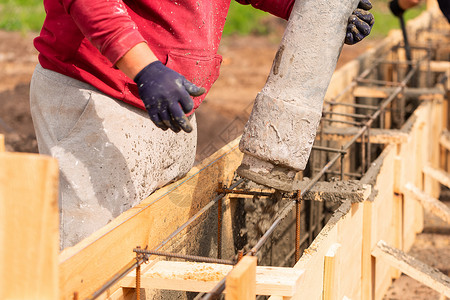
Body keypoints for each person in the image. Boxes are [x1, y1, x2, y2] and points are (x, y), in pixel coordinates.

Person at [31, 0, 374, 249]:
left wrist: (303, 7)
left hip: (170, 100)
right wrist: (144, 67)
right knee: (87, 252)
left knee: (145, 244)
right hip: (101, 93)